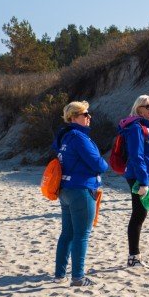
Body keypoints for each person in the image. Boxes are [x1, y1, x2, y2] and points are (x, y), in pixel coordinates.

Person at [53, 101, 108, 287]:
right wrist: (103, 164)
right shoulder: (79, 137)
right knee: (81, 235)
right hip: (81, 189)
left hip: (66, 189)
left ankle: (60, 274)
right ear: (74, 117)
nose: (89, 117)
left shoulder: (65, 136)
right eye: (85, 114)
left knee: (67, 233)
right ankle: (78, 277)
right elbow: (98, 164)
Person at [118, 95, 149, 268]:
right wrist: (144, 182)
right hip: (139, 176)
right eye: (148, 106)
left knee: (140, 214)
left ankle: (134, 256)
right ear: (139, 109)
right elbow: (137, 156)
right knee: (138, 214)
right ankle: (133, 257)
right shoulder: (136, 127)